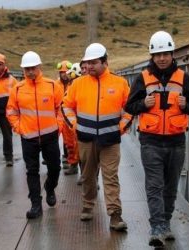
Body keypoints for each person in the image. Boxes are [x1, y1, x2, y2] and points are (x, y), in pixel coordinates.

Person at [125, 31, 189, 247]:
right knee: (154, 185)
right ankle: (157, 226)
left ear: (172, 53)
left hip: (176, 142)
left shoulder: (184, 77)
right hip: (151, 142)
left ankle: (165, 223)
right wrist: (142, 105)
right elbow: (129, 106)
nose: (162, 58)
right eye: (157, 54)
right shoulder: (142, 78)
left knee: (170, 186)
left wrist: (187, 105)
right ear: (152, 55)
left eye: (165, 54)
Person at [62, 43, 132, 231]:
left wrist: (121, 128)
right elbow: (65, 106)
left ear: (105, 62)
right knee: (88, 176)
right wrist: (75, 125)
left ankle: (115, 215)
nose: (89, 66)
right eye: (87, 63)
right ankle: (87, 205)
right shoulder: (78, 84)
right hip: (85, 140)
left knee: (110, 177)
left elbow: (131, 109)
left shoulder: (120, 83)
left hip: (110, 141)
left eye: (94, 62)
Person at [6, 51, 63, 219]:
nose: (30, 72)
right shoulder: (17, 89)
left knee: (55, 167)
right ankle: (36, 205)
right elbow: (11, 111)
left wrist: (58, 126)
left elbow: (61, 108)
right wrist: (19, 128)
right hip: (28, 137)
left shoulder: (52, 86)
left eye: (33, 68)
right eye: (27, 69)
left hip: (50, 135)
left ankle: (50, 187)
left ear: (39, 67)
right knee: (32, 170)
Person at [61, 62, 81, 176]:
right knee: (70, 144)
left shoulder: (79, 86)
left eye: (71, 74)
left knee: (81, 147)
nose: (69, 76)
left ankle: (85, 174)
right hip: (68, 120)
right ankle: (73, 165)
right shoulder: (72, 86)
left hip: (78, 120)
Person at [54, 60, 72, 169]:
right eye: (62, 72)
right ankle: (51, 157)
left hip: (69, 114)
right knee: (54, 136)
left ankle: (66, 157)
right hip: (57, 114)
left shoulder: (74, 83)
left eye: (66, 72)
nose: (64, 74)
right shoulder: (55, 84)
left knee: (68, 137)